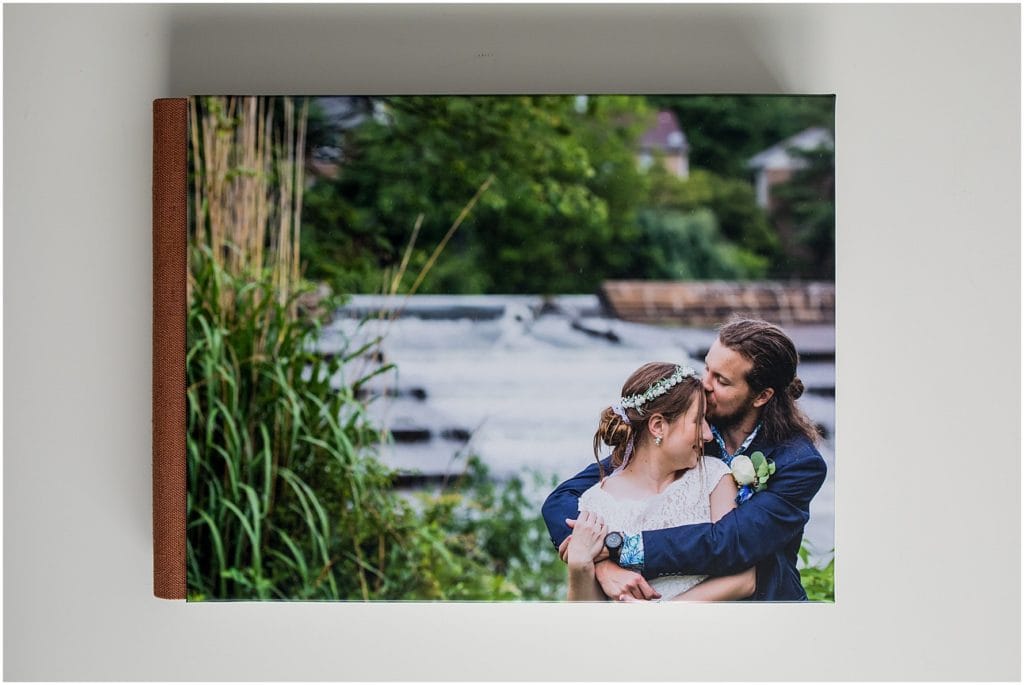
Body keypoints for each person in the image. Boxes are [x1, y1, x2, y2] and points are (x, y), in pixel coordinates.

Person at [544, 318, 827, 601]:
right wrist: (602, 565)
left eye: (721, 380)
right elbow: (562, 499)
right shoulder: (683, 433)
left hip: (765, 608)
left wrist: (618, 548)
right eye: (707, 368)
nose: (705, 384)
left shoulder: (799, 463)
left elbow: (728, 542)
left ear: (761, 396)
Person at [565, 362, 755, 601]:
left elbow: (743, 579)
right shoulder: (595, 504)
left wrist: (661, 614)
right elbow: (588, 613)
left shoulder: (713, 478)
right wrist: (580, 567)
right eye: (698, 420)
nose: (708, 435)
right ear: (658, 426)